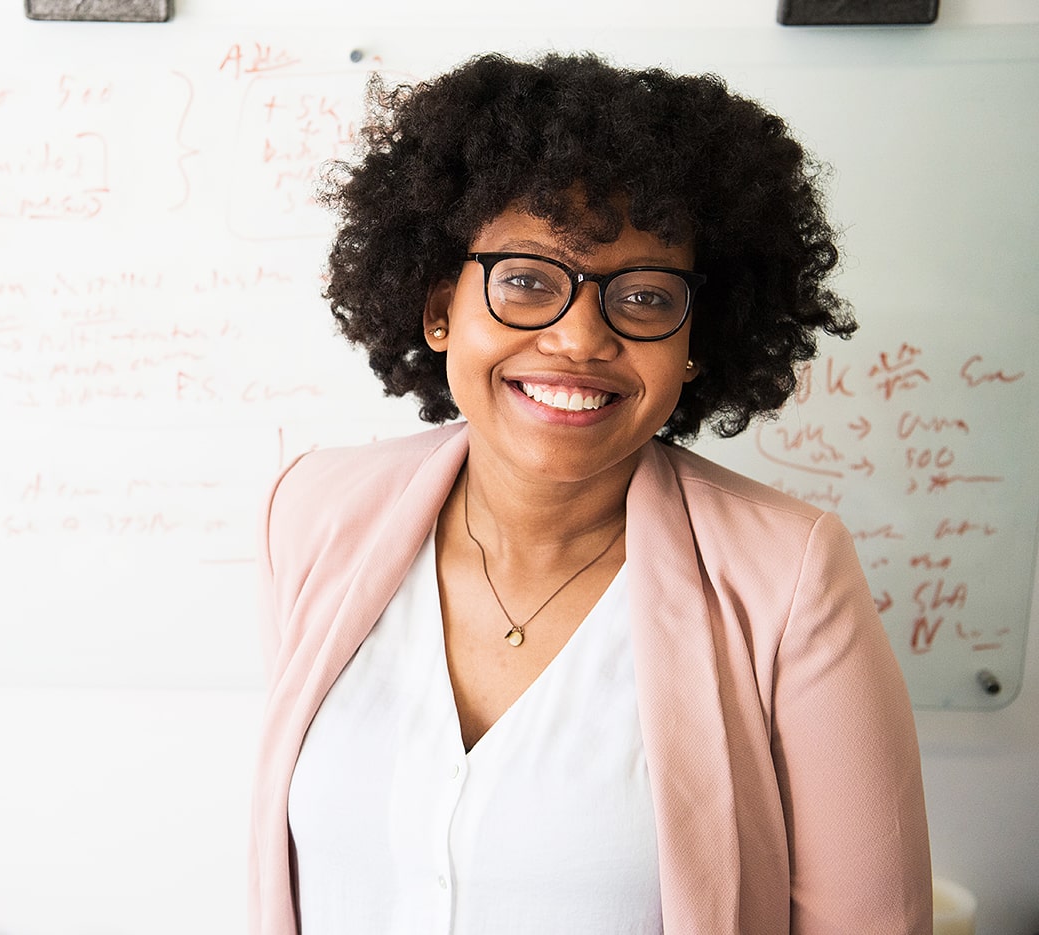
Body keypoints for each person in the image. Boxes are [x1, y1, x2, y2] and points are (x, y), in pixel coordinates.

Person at [248, 51, 931, 935]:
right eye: (528, 279)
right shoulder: (311, 514)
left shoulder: (789, 577)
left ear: (695, 341)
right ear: (438, 305)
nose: (578, 338)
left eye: (644, 297)